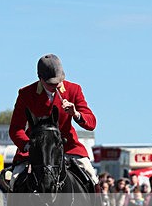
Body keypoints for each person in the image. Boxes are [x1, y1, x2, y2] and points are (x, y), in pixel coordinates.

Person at [9, 53, 98, 187]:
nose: (56, 86)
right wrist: (29, 145)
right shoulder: (26, 94)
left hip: (67, 146)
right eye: (52, 83)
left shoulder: (74, 90)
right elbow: (16, 129)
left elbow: (91, 123)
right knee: (14, 179)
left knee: (92, 177)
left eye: (59, 81)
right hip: (36, 150)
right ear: (40, 78)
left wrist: (76, 114)